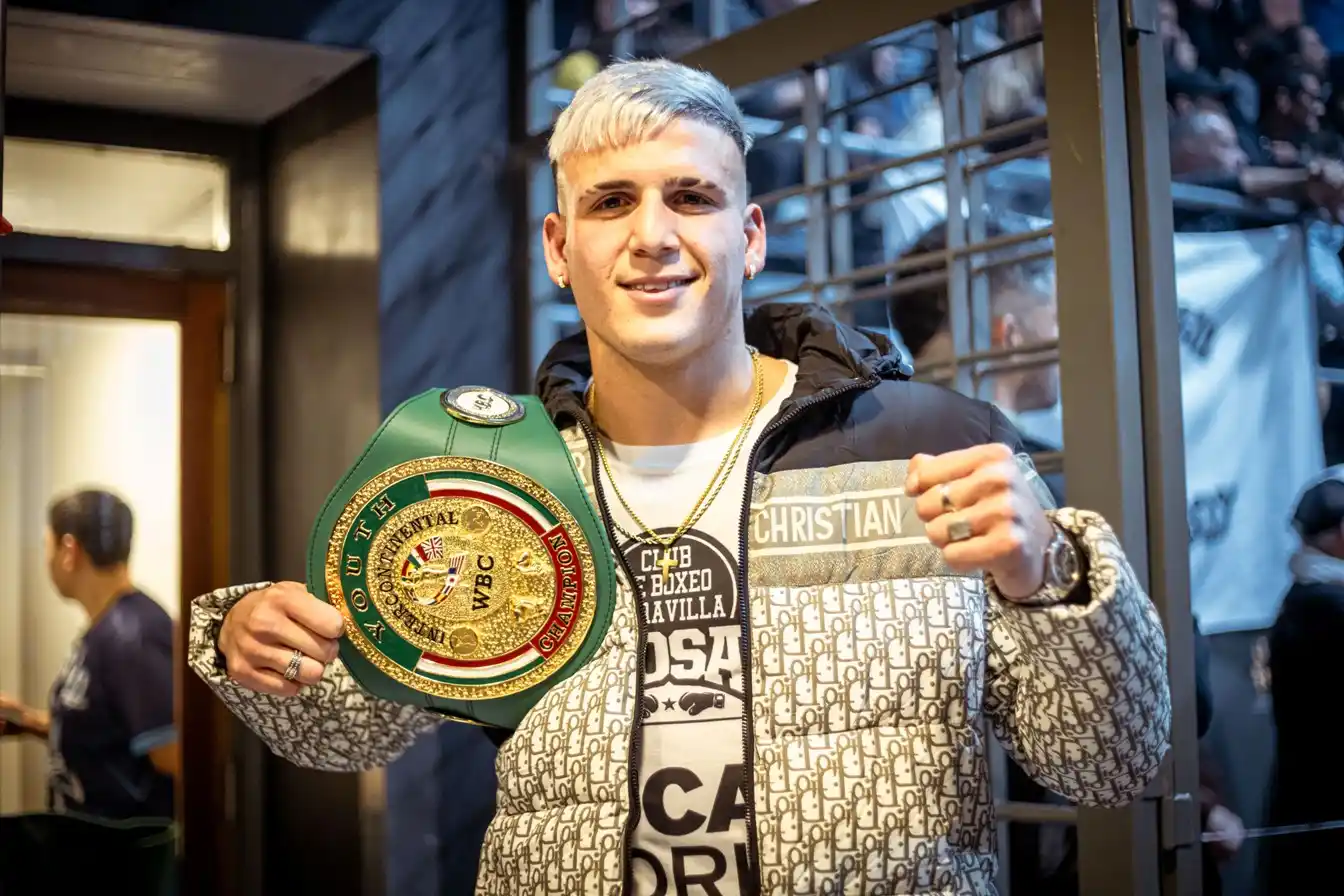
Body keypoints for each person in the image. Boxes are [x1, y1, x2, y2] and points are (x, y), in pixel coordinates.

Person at [187, 59, 1171, 895]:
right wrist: (252, 642)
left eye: (689, 196)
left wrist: (1053, 577)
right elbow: (351, 723)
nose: (651, 234)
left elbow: (1112, 758)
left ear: (748, 236)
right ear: (560, 248)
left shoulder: (930, 445)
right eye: (611, 201)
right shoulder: (493, 485)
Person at [0, 489, 177, 821]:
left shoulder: (134, 635)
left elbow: (174, 758)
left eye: (46, 546)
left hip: (119, 865)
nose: (47, 559)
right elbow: (106, 731)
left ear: (69, 550)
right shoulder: (106, 630)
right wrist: (26, 720)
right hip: (86, 856)